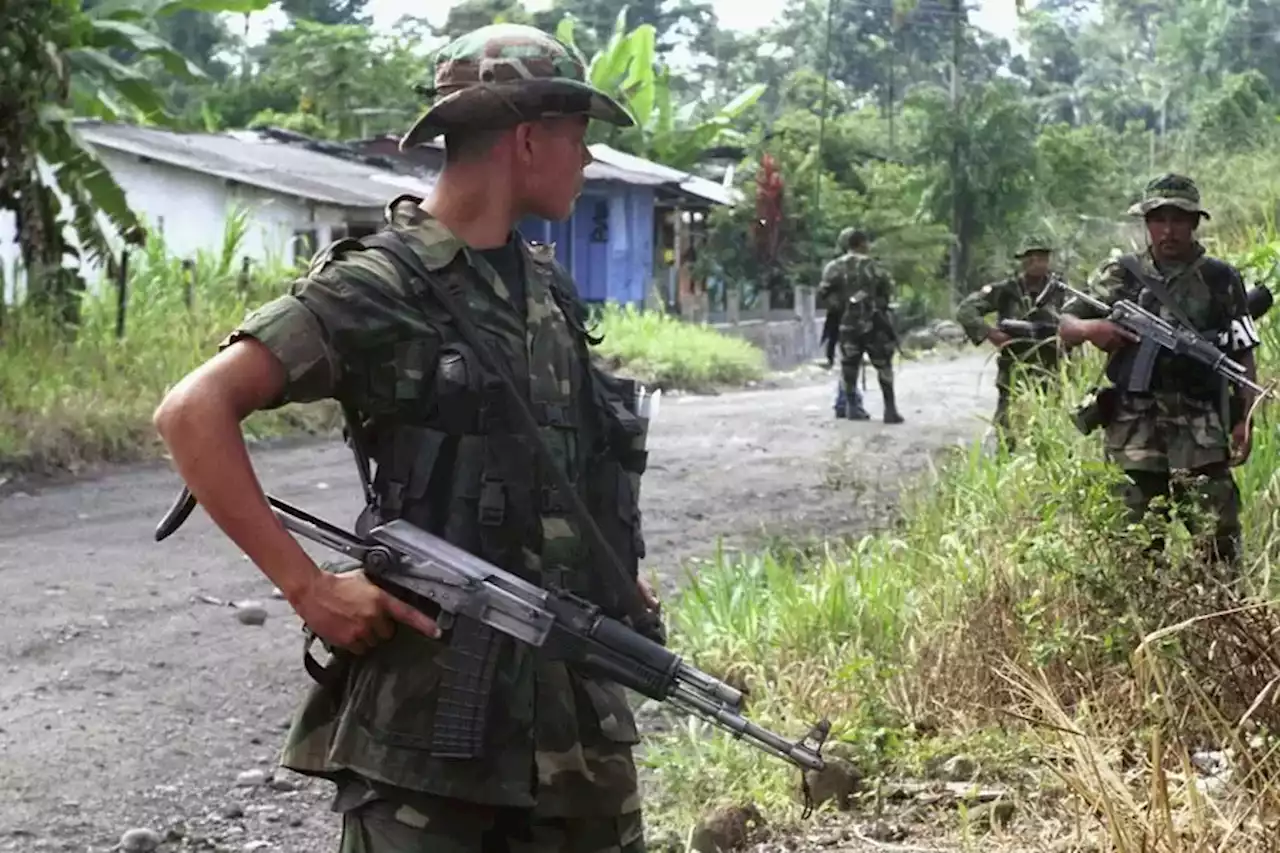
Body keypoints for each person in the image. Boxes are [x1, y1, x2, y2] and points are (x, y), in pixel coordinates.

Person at [152, 24, 660, 853]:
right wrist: (307, 586)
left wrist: (615, 576)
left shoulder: (546, 287)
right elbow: (191, 411)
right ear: (528, 140)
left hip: (573, 734)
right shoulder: (379, 283)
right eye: (578, 139)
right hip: (430, 731)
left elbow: (569, 460)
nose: (588, 161)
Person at [1059, 173, 1261, 568]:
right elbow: (1066, 322)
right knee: (1135, 541)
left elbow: (1243, 353)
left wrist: (1245, 419)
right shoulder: (1121, 273)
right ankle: (1142, 625)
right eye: (1158, 219)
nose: (1168, 230)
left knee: (1218, 538)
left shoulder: (1221, 278)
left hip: (1201, 428)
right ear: (1146, 223)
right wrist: (1092, 329)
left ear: (1195, 223)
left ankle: (1215, 621)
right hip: (1134, 429)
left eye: (1179, 219)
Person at [955, 236, 1067, 448]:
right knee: (1008, 426)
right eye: (1031, 257)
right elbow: (966, 310)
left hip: (1050, 365)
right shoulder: (1007, 289)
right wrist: (990, 333)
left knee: (1050, 425)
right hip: (1015, 366)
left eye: (1042, 257)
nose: (1037, 262)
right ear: (1023, 261)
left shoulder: (1059, 289)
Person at [834, 231, 903, 424]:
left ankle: (851, 408)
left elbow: (824, 291)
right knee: (883, 367)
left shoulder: (834, 267)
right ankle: (890, 411)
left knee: (849, 366)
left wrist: (843, 308)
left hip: (847, 325)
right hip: (875, 324)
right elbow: (888, 291)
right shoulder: (875, 267)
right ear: (862, 243)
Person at [818, 227, 870, 420]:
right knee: (851, 362)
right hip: (855, 321)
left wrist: (838, 309)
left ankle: (843, 402)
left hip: (839, 320)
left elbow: (823, 293)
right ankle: (851, 403)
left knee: (848, 361)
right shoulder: (865, 266)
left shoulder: (833, 266)